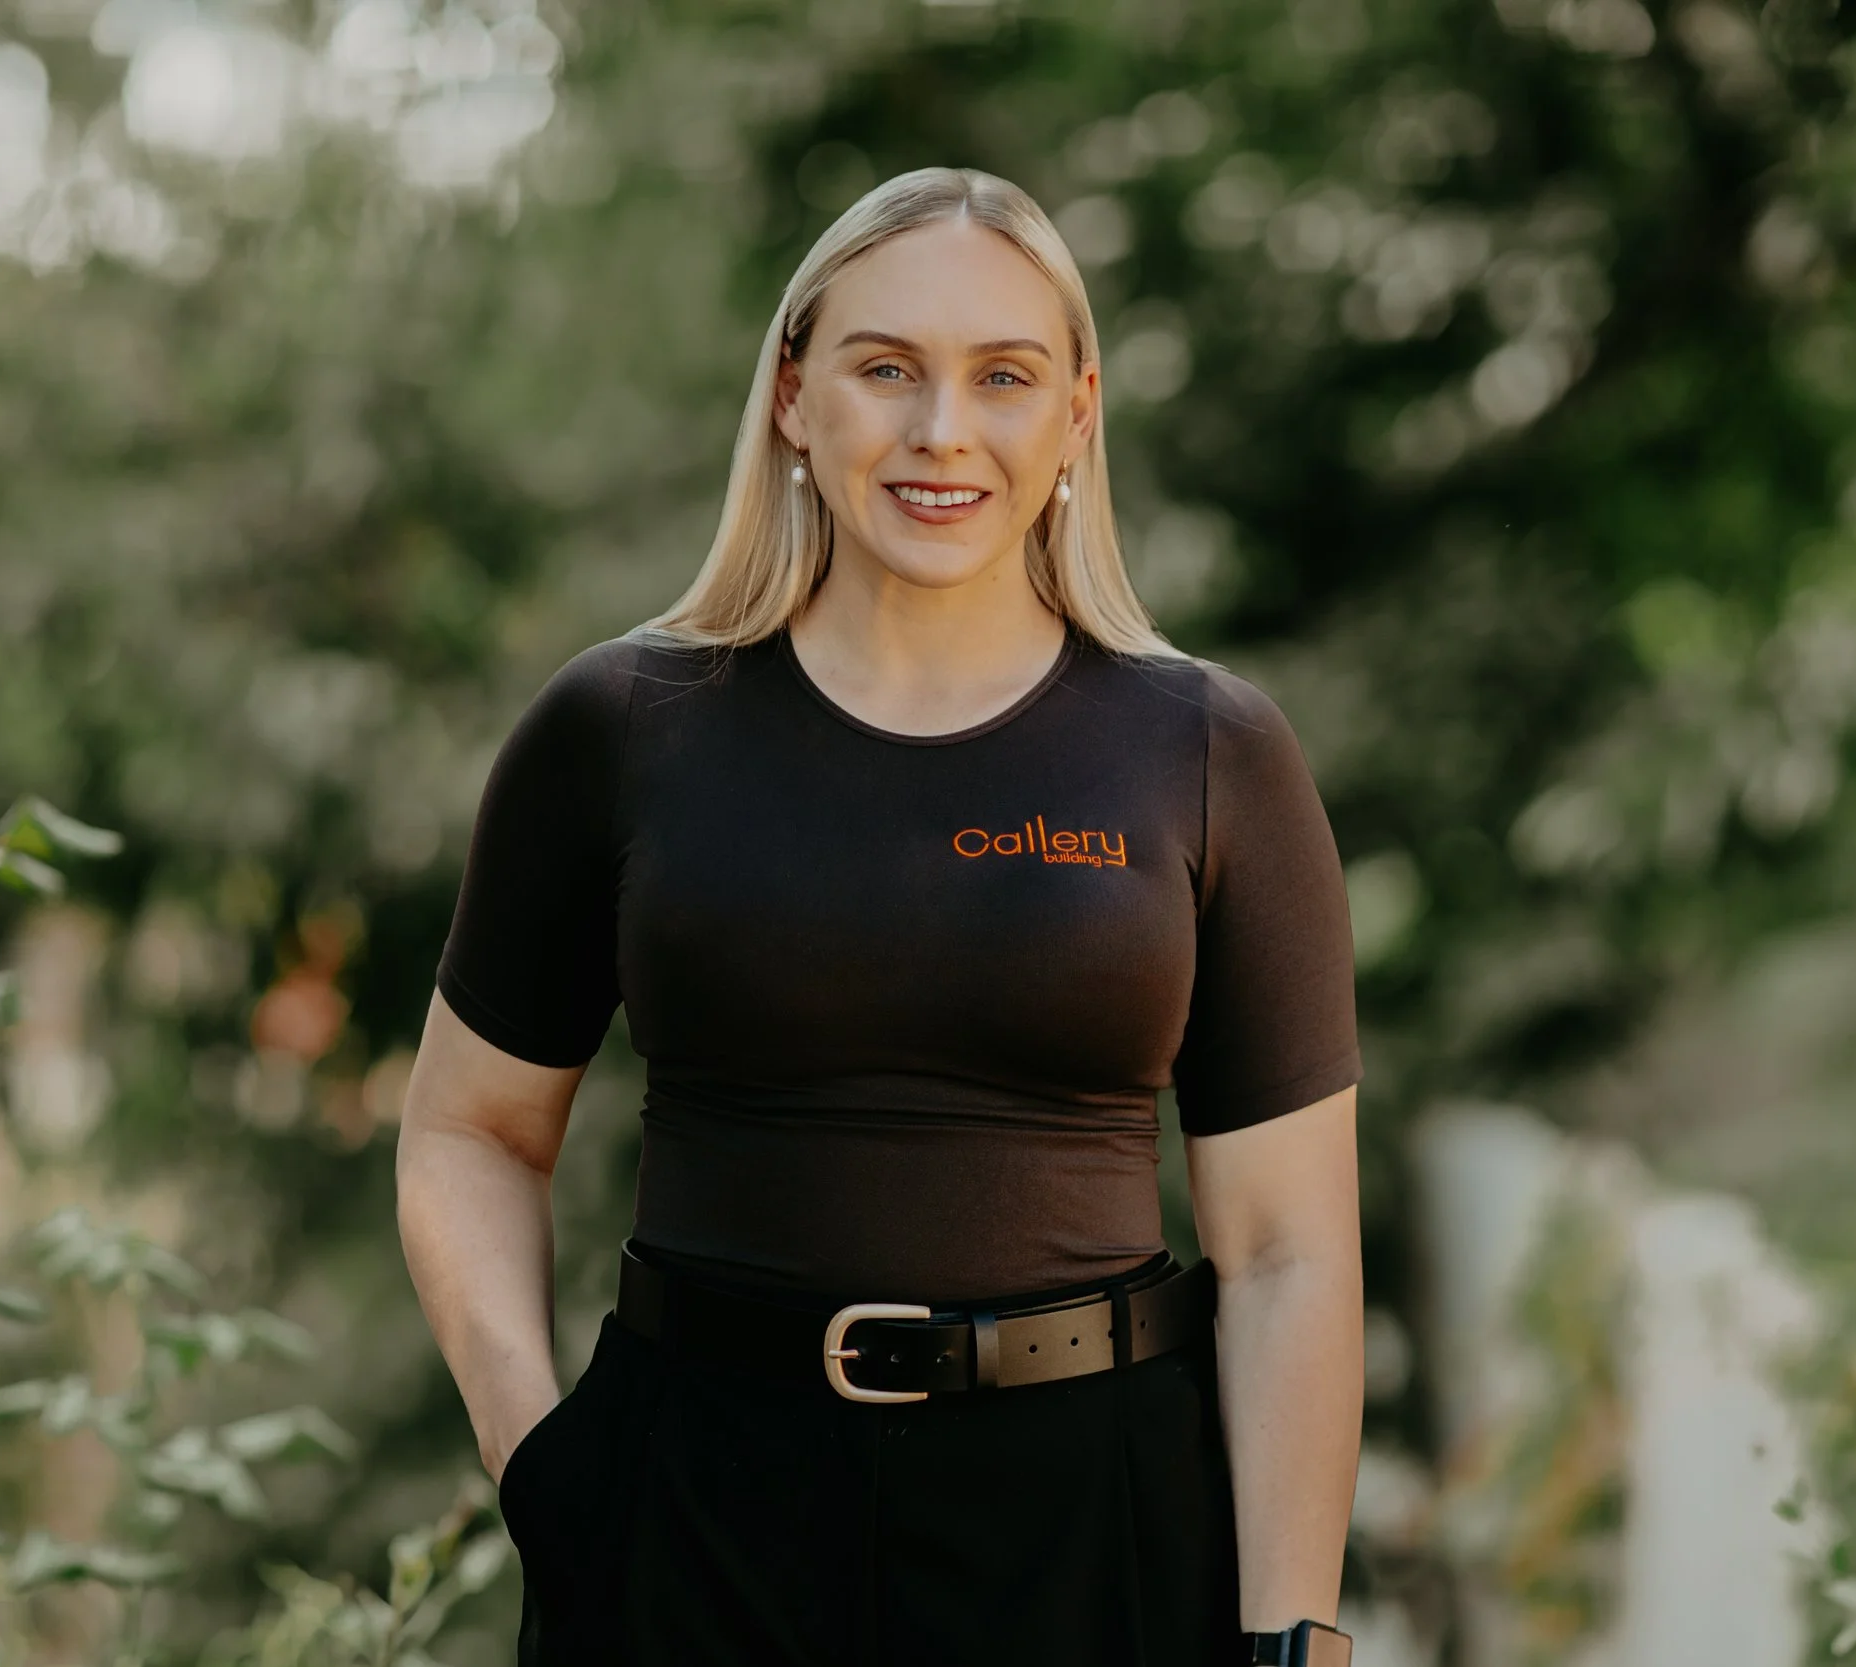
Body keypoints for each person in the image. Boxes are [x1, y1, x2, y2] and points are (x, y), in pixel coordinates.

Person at [396, 165, 1363, 1667]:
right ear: (794, 394)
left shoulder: (1207, 752)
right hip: (691, 1516)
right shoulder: (623, 727)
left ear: (1078, 413)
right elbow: (470, 1130)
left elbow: (1290, 1247)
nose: (942, 431)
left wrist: (1292, 1637)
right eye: (885, 368)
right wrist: (549, 1468)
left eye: (1003, 377)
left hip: (1092, 1530)